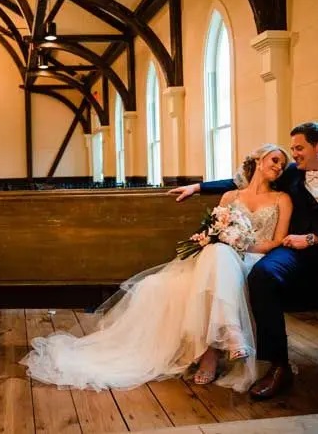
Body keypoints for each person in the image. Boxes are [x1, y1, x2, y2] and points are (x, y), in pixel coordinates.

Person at [20, 144, 292, 392]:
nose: (279, 166)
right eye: (275, 159)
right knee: (215, 252)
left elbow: (278, 241)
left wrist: (242, 244)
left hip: (254, 259)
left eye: (283, 165)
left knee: (219, 254)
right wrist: (220, 234)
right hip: (220, 257)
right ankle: (229, 337)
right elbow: (214, 230)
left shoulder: (282, 199)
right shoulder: (230, 196)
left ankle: (212, 353)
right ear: (258, 159)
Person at [171, 122, 318, 412]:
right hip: (297, 252)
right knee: (263, 274)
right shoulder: (292, 174)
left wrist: (315, 237)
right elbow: (245, 181)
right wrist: (199, 186)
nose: (294, 154)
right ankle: (278, 365)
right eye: (291, 149)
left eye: (299, 148)